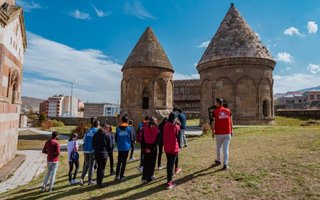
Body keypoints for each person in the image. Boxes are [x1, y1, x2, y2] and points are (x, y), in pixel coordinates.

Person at [211, 98, 233, 170]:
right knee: (226, 149)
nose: (215, 103)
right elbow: (231, 122)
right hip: (227, 132)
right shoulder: (228, 111)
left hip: (219, 133)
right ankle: (225, 164)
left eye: (215, 102)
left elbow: (213, 122)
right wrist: (231, 131)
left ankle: (218, 160)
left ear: (218, 103)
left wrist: (212, 131)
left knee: (218, 147)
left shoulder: (215, 112)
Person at [163, 112, 180, 189]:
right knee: (171, 165)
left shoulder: (166, 125)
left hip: (167, 148)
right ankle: (169, 182)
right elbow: (177, 135)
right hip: (173, 148)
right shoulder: (176, 127)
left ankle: (169, 179)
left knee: (169, 164)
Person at [80, 120, 100, 186]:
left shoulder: (88, 130)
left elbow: (83, 140)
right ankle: (90, 180)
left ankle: (81, 179)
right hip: (92, 150)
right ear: (98, 125)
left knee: (86, 165)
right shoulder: (97, 131)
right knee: (91, 166)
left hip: (85, 149)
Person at [141, 117, 159, 183]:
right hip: (153, 149)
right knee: (152, 163)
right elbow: (157, 142)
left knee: (146, 163)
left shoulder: (145, 129)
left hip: (146, 149)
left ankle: (144, 178)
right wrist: (151, 149)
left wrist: (146, 148)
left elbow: (142, 140)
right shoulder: (157, 130)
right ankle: (150, 176)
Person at [114, 115, 132, 180]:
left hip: (120, 147)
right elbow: (132, 138)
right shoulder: (129, 128)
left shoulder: (118, 128)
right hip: (126, 147)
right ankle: (121, 176)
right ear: (127, 121)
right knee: (124, 162)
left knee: (119, 161)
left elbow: (116, 139)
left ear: (122, 120)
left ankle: (116, 175)